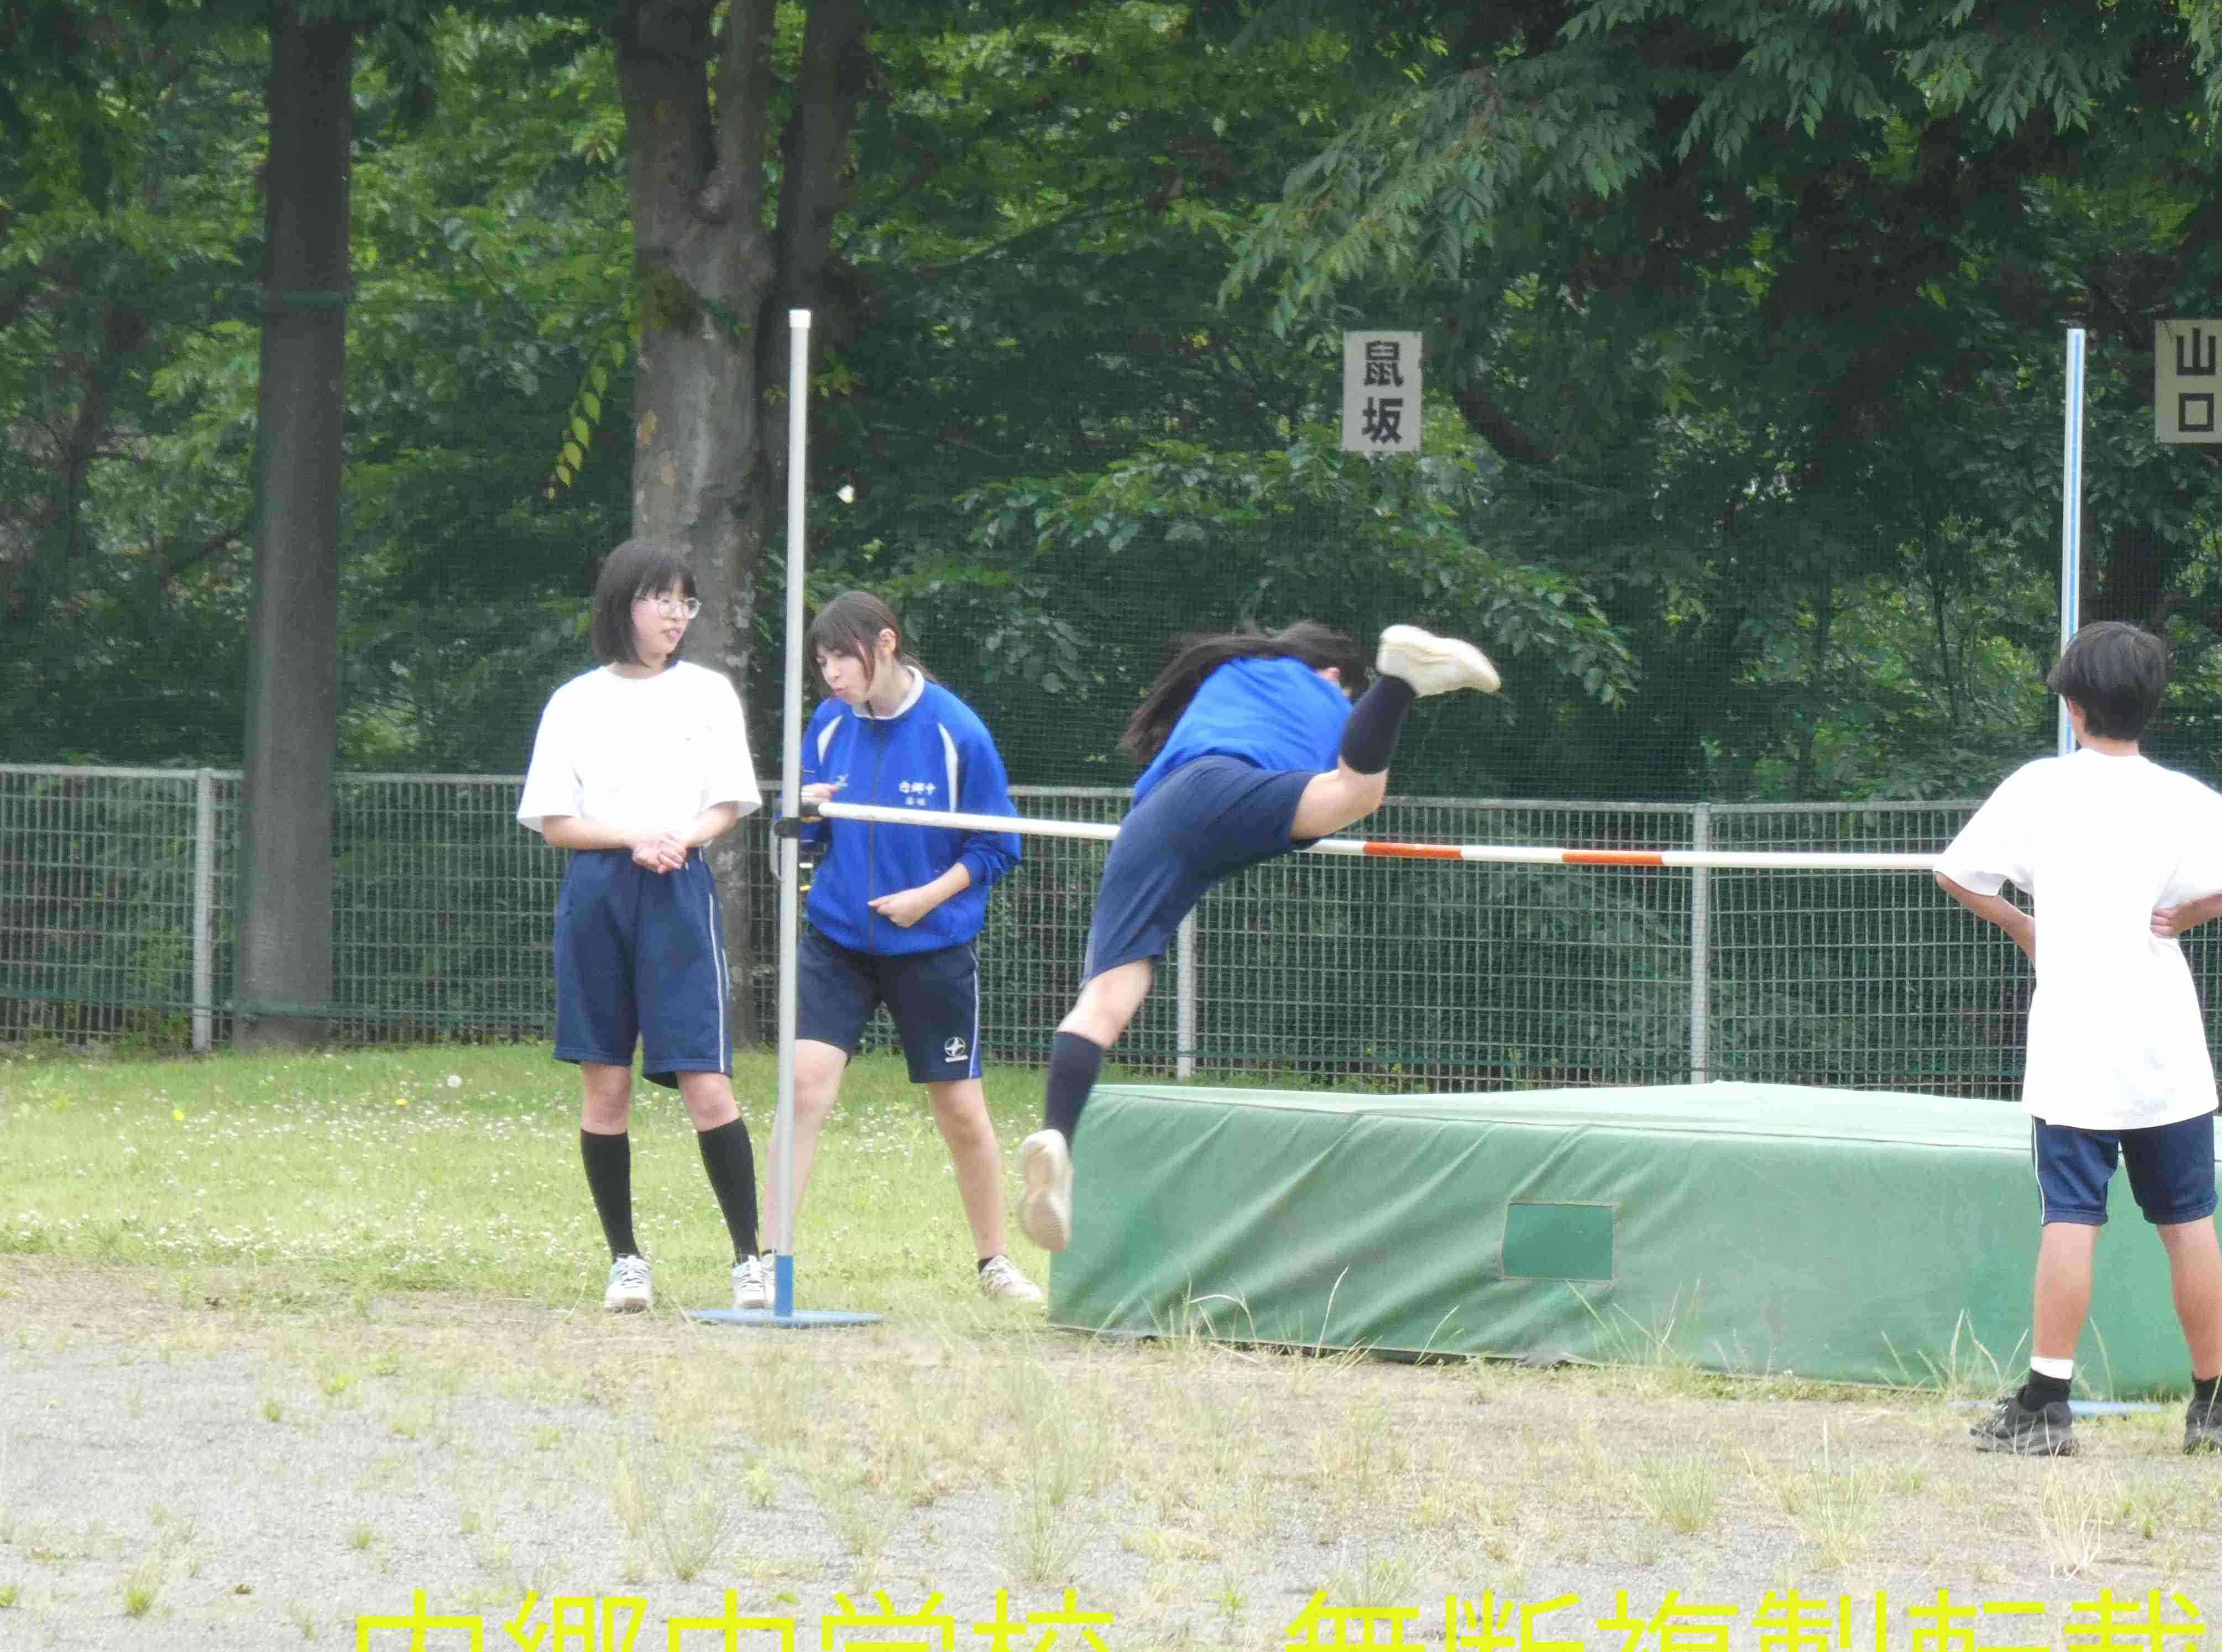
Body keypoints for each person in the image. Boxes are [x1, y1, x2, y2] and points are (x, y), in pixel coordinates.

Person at [1933, 621, 2222, 1456]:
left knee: (2071, 1217)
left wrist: (2025, 927)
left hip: (2074, 1045)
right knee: (2190, 1222)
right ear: (2152, 707)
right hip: (2166, 1049)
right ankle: (2213, 1410)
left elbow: (1956, 873)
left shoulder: (2039, 788)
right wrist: (2198, 911)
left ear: (2073, 706)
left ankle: (2046, 1406)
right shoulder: (2179, 796)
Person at [1014, 621, 1501, 1252]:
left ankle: (1059, 1138)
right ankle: (1401, 680)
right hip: (1223, 794)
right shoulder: (1324, 697)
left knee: (1104, 999)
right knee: (1357, 791)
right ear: (1335, 675)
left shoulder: (1231, 675)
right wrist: (1372, 706)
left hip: (1151, 818)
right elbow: (1336, 781)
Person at [516, 539, 765, 1314]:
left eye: (686, 602)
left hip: (678, 887)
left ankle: (749, 1260)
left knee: (706, 1082)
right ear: (623, 605)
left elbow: (728, 803)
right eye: (663, 600)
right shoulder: (574, 702)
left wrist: (676, 840)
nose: (676, 616)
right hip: (598, 892)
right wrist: (631, 837)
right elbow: (555, 821)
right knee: (607, 1083)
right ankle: (625, 1259)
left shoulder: (709, 695)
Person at [777, 590, 1040, 1305]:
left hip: (931, 945)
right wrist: (804, 810)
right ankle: (770, 1259)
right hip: (837, 941)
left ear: (886, 643)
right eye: (822, 661)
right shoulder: (829, 725)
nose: (832, 675)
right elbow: (804, 832)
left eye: (842, 657)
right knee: (803, 1088)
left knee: (960, 1110)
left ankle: (994, 1264)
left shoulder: (958, 731)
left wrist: (927, 897)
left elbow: (997, 847)